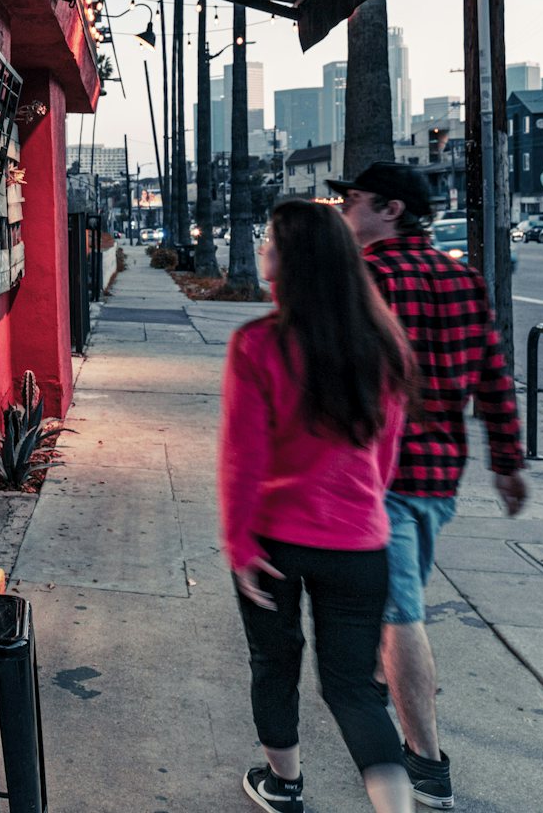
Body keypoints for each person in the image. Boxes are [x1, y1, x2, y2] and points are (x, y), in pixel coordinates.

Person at [329, 161, 527, 809]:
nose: (344, 210)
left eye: (352, 200)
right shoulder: (463, 280)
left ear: (389, 209)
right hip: (439, 479)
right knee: (395, 606)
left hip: (376, 475)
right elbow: (494, 376)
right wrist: (506, 463)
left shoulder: (365, 279)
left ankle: (425, 767)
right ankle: (401, 715)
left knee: (399, 615)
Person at [219, 199, 416, 813]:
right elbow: (385, 456)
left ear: (289, 259)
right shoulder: (383, 345)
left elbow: (242, 459)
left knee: (273, 664)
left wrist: (240, 544)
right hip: (360, 543)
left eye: (268, 239)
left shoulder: (259, 344)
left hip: (276, 541)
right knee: (355, 689)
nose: (261, 248)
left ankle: (284, 785)